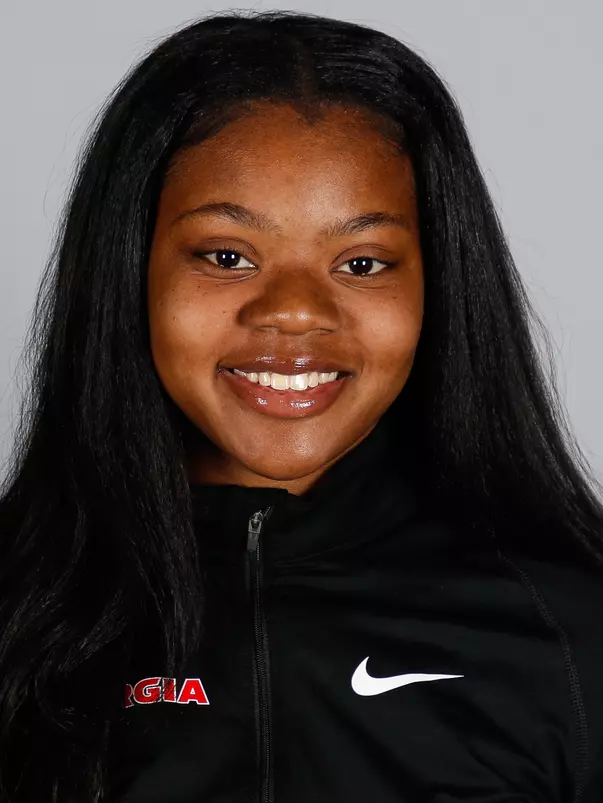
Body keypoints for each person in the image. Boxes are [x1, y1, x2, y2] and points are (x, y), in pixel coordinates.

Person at [1, 8, 602, 803]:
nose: (292, 311)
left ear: (438, 284)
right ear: (130, 270)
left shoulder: (567, 624)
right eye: (225, 255)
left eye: (360, 261)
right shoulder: (17, 605)